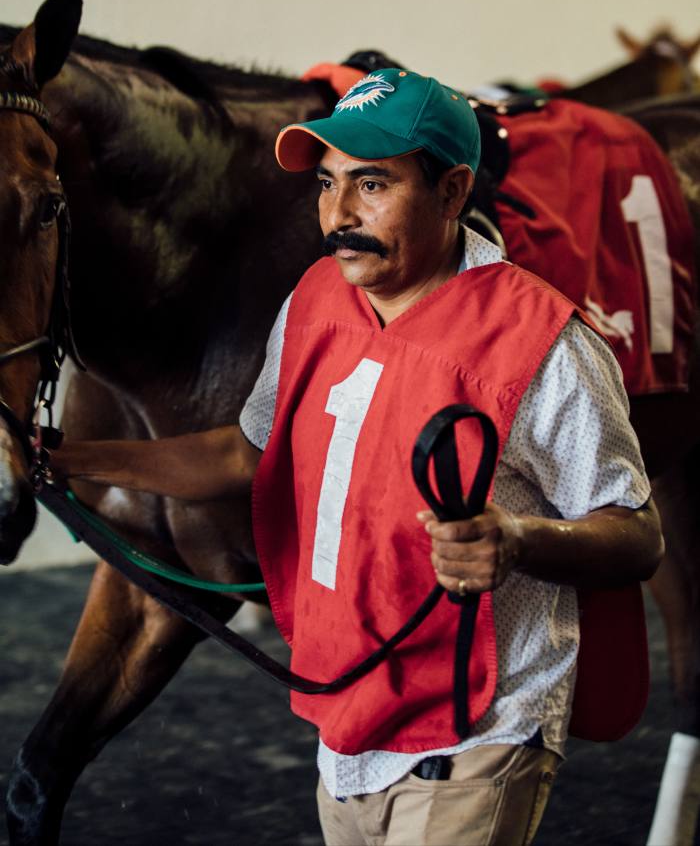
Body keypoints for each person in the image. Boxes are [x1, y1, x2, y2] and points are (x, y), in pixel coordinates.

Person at [53, 68, 663, 846]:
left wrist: (517, 540)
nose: (337, 214)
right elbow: (246, 454)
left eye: (371, 184)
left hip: (475, 728)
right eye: (329, 184)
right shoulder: (314, 297)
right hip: (345, 720)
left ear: (451, 192)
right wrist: (72, 459)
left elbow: (637, 533)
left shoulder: (545, 343)